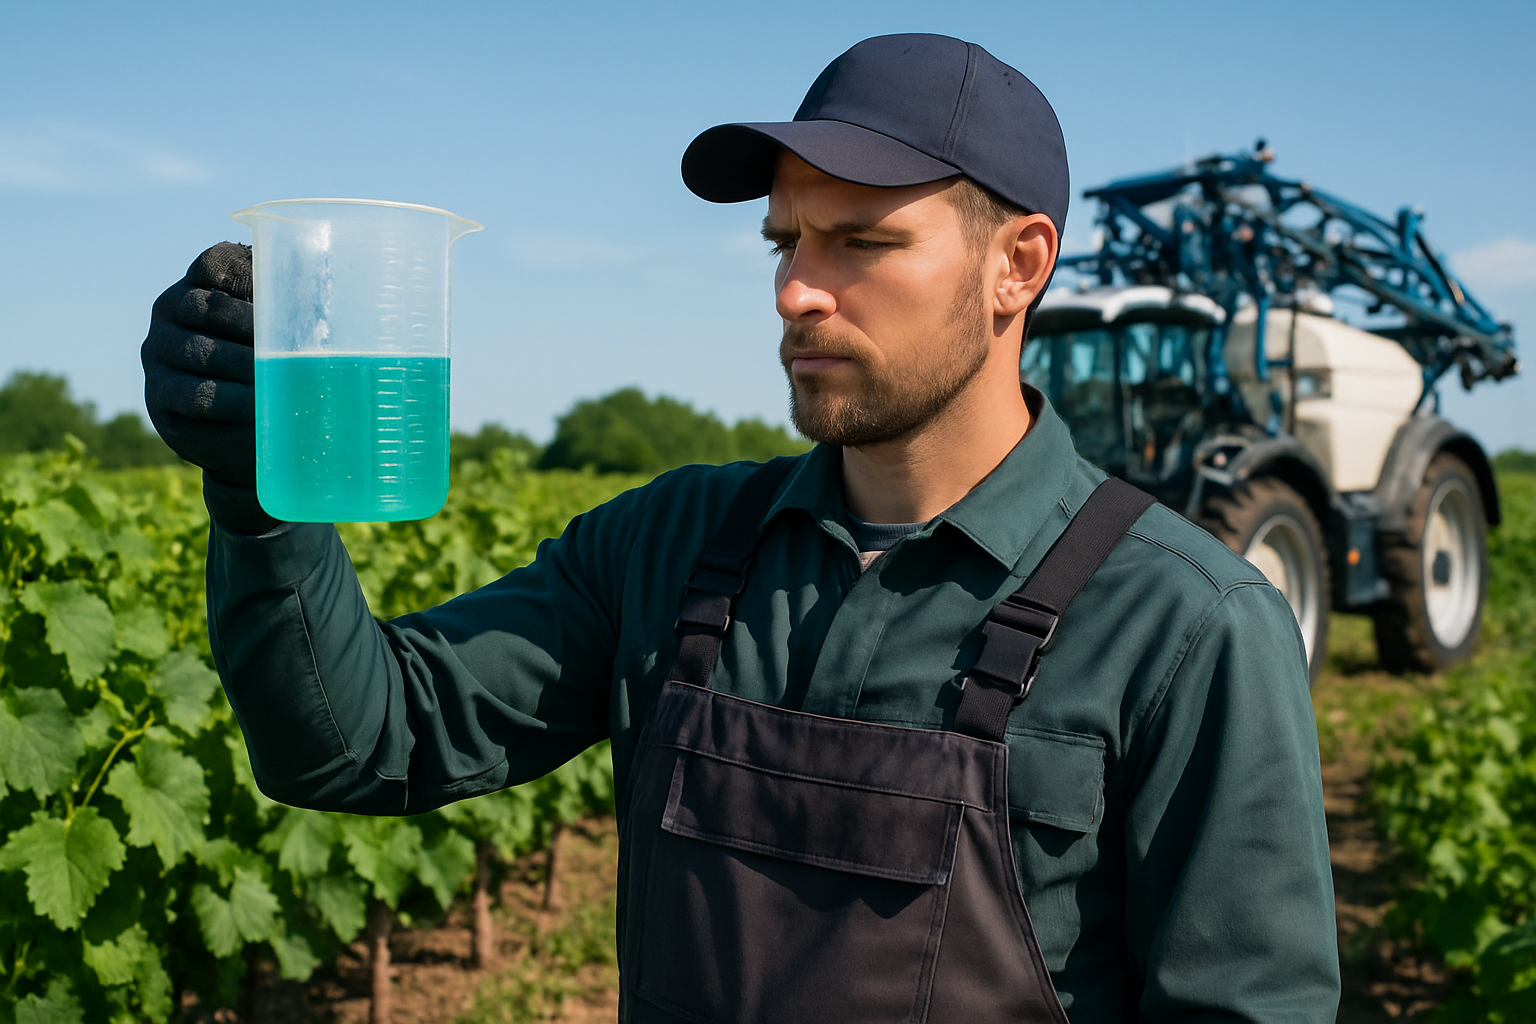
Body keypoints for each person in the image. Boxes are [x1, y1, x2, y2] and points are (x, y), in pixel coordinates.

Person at [142, 33, 1339, 1024]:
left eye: (861, 241)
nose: (795, 289)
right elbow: (364, 741)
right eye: (785, 241)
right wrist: (262, 497)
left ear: (1016, 266)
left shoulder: (1190, 626)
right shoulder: (672, 545)